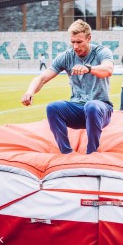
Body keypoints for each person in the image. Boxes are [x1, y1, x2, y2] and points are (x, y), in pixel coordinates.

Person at [21, 19, 114, 154]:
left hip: (100, 109)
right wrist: (30, 91)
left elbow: (108, 70)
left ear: (89, 38)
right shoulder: (67, 57)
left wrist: (88, 68)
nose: (75, 46)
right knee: (53, 107)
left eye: (79, 42)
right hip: (77, 108)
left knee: (91, 106)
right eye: (72, 42)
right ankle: (66, 152)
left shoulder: (101, 52)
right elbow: (41, 78)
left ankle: (92, 152)